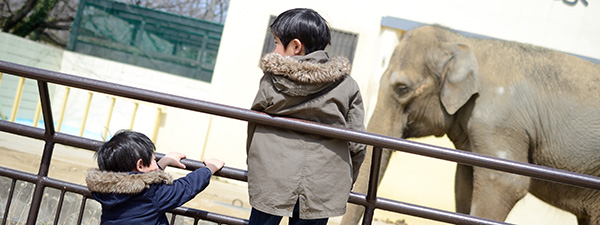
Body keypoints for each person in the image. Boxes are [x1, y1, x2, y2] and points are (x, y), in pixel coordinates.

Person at [246, 8, 366, 225]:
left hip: (272, 174)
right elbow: (358, 144)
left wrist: (255, 166)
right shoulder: (348, 86)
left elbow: (254, 125)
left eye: (276, 43)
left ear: (295, 46)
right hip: (324, 181)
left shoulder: (271, 81)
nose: (274, 50)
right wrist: (346, 179)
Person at [85, 129, 224, 225]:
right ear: (140, 165)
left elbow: (138, 178)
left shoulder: (107, 191)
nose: (155, 163)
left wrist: (164, 161)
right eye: (153, 159)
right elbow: (185, 187)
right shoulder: (151, 194)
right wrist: (210, 168)